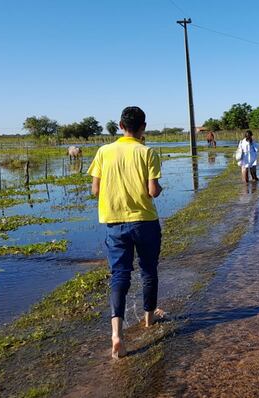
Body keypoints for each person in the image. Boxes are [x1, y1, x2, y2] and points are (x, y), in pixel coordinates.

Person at [87, 106, 165, 359]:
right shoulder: (147, 152)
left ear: (120, 125)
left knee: (120, 275)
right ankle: (148, 320)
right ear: (143, 127)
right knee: (148, 271)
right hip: (144, 221)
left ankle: (116, 335)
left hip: (114, 223)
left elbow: (95, 190)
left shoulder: (103, 152)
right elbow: (152, 191)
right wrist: (157, 187)